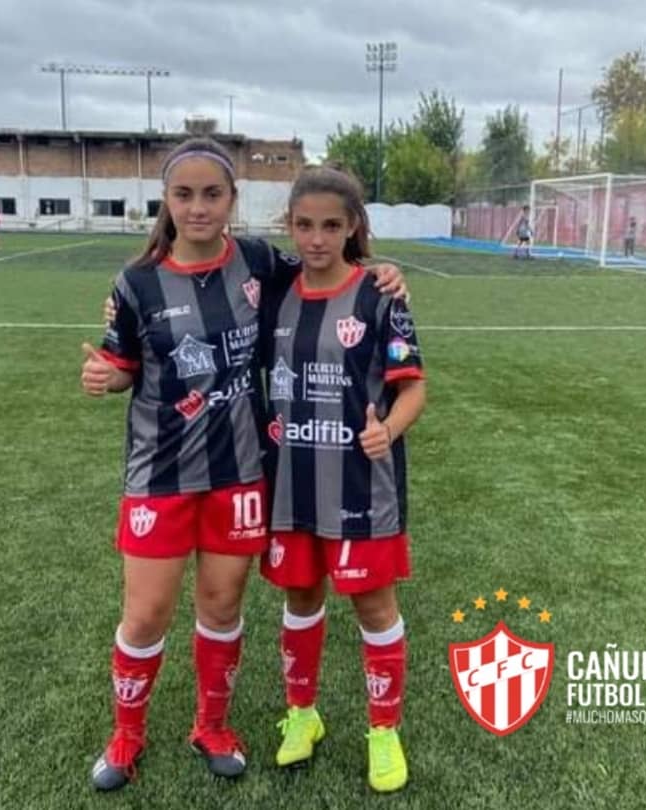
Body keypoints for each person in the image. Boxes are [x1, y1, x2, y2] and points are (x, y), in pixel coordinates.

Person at [81, 138, 406, 793]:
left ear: (232, 200)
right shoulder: (136, 282)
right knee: (145, 615)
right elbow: (123, 363)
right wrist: (105, 376)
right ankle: (126, 735)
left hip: (240, 474)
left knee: (222, 605)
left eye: (212, 194)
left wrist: (384, 269)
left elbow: (329, 262)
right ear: (166, 202)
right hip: (159, 476)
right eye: (184, 194)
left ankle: (212, 725)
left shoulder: (260, 261)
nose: (198, 207)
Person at [259, 166, 426, 793]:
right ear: (290, 227)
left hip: (363, 487)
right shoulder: (273, 291)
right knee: (300, 598)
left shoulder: (381, 296)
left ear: (353, 226)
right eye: (304, 225)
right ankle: (302, 716)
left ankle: (384, 731)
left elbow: (414, 388)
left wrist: (390, 427)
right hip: (291, 484)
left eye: (331, 225)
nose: (316, 239)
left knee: (374, 605)